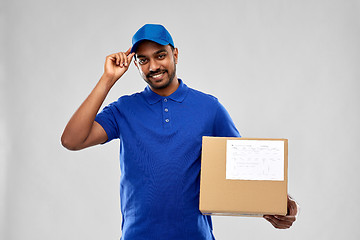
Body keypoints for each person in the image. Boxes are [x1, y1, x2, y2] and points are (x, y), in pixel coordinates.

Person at [61, 24, 297, 239]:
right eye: (143, 60)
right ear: (136, 64)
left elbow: (242, 167)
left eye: (160, 56)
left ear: (175, 54)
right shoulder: (124, 109)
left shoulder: (209, 107)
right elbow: (72, 140)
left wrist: (278, 203)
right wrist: (108, 79)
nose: (153, 67)